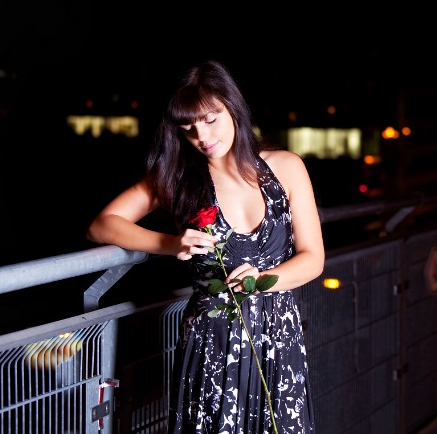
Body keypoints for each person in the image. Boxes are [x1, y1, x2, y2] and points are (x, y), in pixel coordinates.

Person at [86, 60, 324, 433]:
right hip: (212, 339)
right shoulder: (179, 179)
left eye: (210, 119)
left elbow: (313, 258)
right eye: (189, 126)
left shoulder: (286, 166)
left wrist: (263, 279)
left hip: (279, 336)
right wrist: (169, 243)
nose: (201, 134)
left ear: (233, 108)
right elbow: (102, 225)